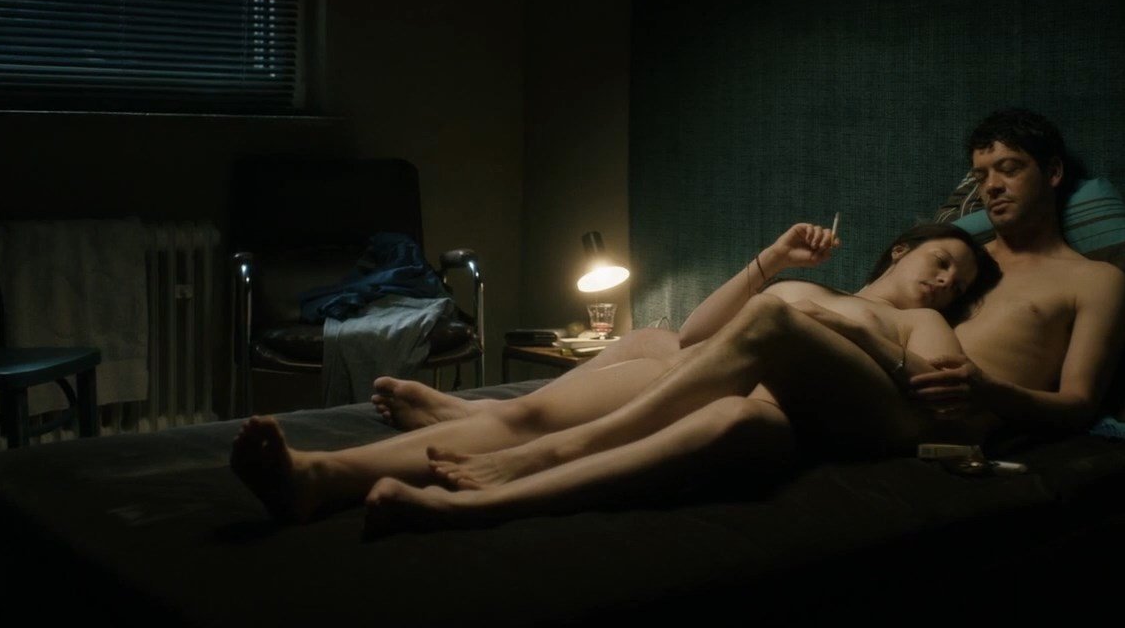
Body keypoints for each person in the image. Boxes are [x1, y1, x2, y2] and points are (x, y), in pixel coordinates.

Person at [355, 107, 1125, 530]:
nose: (991, 188)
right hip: (878, 385)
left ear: (1053, 174)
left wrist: (989, 391)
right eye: (982, 174)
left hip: (942, 419)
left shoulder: (1093, 280)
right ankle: (486, 423)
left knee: (773, 326)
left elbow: (1077, 404)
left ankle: (541, 453)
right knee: (663, 338)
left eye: (1010, 169)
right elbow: (716, 332)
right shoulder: (969, 259)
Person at [230, 221, 997, 524]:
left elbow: (940, 396)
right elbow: (701, 335)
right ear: (901, 248)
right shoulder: (813, 290)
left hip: (781, 409)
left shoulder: (917, 323)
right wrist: (772, 261)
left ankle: (505, 469)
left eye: (959, 283)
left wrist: (864, 337)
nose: (944, 282)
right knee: (645, 345)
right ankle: (324, 475)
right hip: (712, 368)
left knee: (683, 387)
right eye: (940, 261)